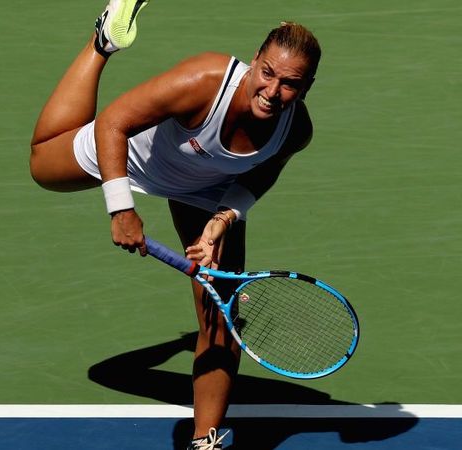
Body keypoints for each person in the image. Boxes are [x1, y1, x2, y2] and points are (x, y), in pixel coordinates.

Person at [29, 1, 321, 448]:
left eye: (289, 84)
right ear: (254, 61)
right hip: (133, 155)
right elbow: (114, 123)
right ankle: (103, 42)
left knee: (222, 317)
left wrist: (223, 219)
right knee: (42, 164)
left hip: (205, 192)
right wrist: (121, 207)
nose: (273, 90)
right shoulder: (205, 82)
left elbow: (261, 174)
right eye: (267, 73)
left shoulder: (295, 130)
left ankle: (206, 439)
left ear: (307, 87)